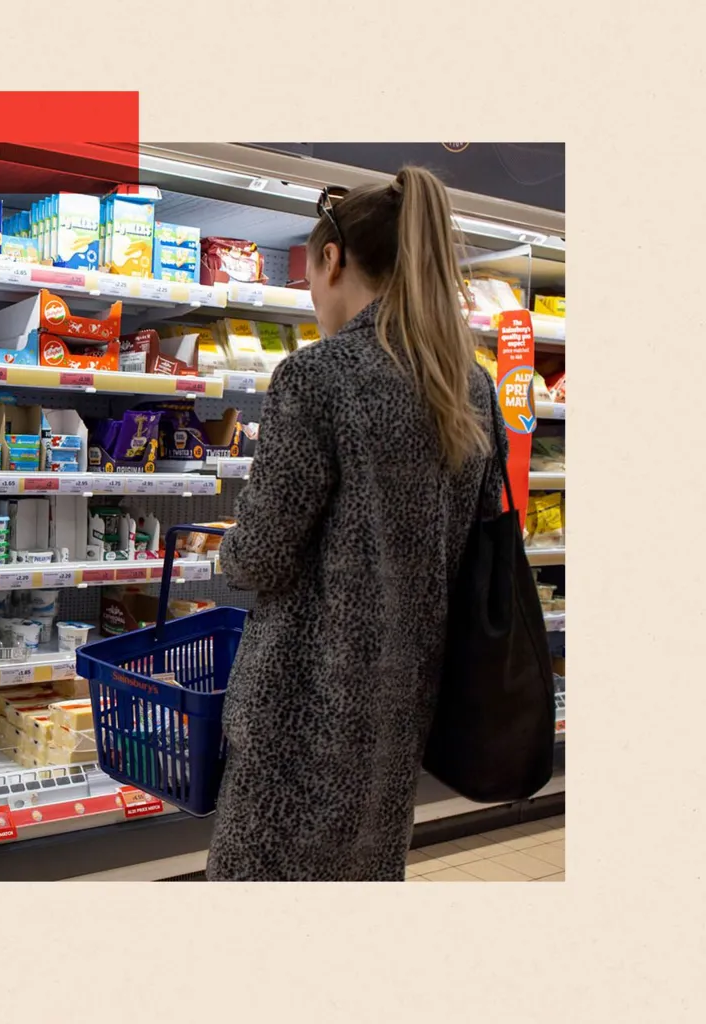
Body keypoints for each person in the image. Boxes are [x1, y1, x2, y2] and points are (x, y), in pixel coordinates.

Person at [205, 166, 509, 881]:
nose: (313, 295)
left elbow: (260, 560)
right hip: (401, 704)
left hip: (301, 702)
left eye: (312, 273)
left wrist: (228, 547)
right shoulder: (469, 383)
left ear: (332, 260)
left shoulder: (318, 376)